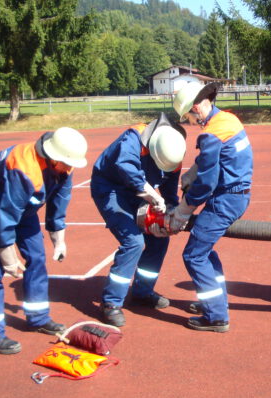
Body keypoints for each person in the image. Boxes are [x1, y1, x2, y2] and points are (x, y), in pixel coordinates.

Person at [0, 127, 88, 354]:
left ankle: (37, 318)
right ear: (53, 158)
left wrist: (59, 238)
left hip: (23, 207)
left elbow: (59, 202)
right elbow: (7, 214)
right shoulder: (24, 169)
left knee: (36, 256)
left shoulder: (65, 163)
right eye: (66, 164)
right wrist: (8, 257)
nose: (69, 168)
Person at [169, 82, 253, 333]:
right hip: (238, 194)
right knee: (205, 251)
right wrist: (192, 173)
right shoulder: (228, 120)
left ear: (195, 108)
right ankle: (214, 300)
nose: (191, 123)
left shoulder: (211, 134)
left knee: (193, 255)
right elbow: (210, 160)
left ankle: (216, 316)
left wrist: (183, 210)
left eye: (189, 118)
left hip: (225, 199)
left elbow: (206, 184)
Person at [90, 112, 187, 327]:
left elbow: (170, 190)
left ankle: (143, 291)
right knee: (133, 242)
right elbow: (126, 167)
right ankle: (111, 303)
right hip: (112, 190)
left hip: (141, 190)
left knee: (160, 237)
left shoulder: (174, 151)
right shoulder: (134, 138)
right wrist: (151, 194)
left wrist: (171, 211)